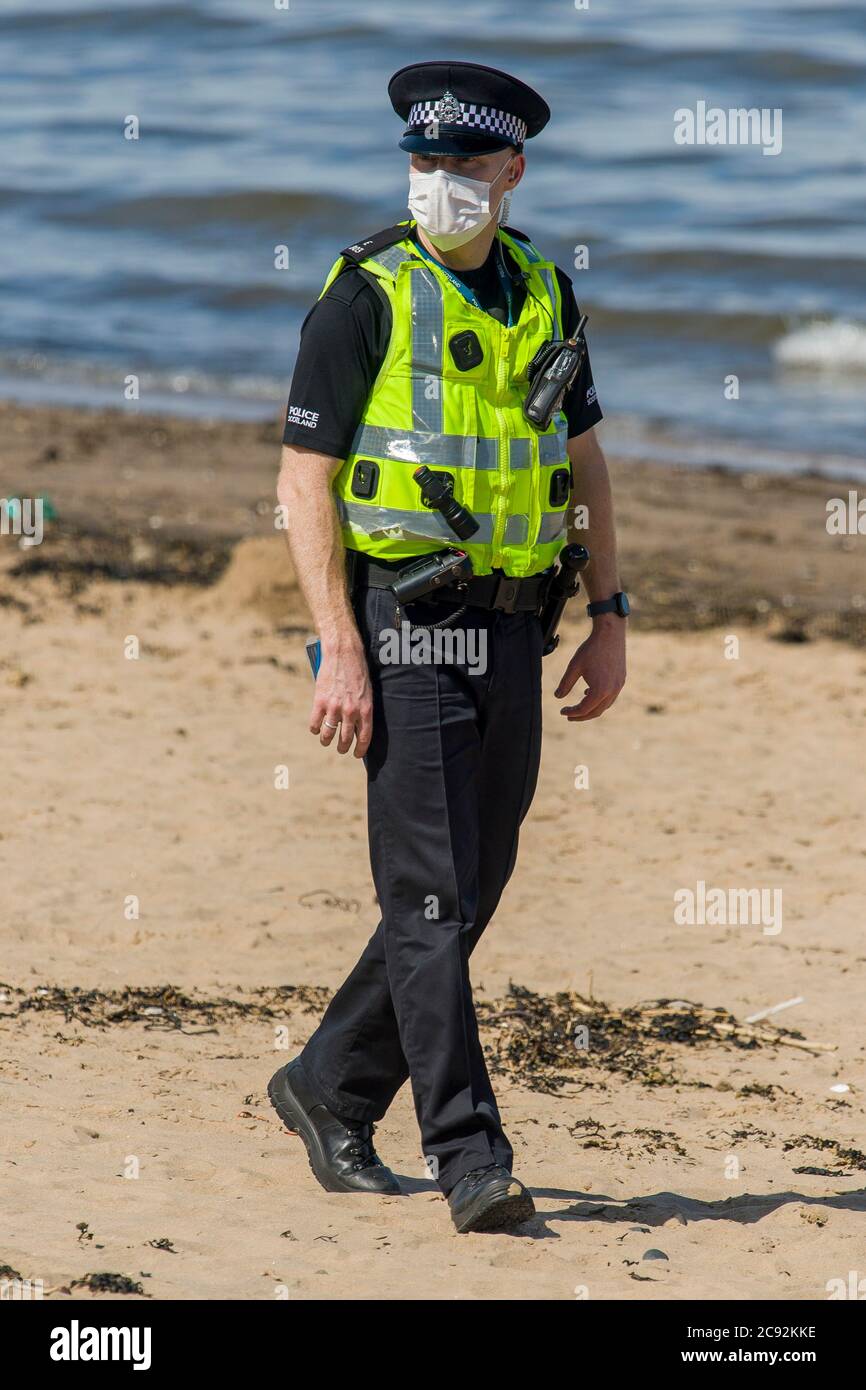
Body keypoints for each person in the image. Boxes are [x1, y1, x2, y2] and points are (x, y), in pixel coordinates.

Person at [270, 60, 628, 1234]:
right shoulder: (362, 292)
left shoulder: (546, 292)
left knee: (472, 888)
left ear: (512, 170)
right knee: (426, 896)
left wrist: (609, 615)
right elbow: (303, 479)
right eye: (423, 165)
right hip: (404, 622)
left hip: (518, 625)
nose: (440, 187)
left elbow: (582, 469)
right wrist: (337, 646)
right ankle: (470, 1153)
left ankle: (324, 1083)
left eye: (465, 167)